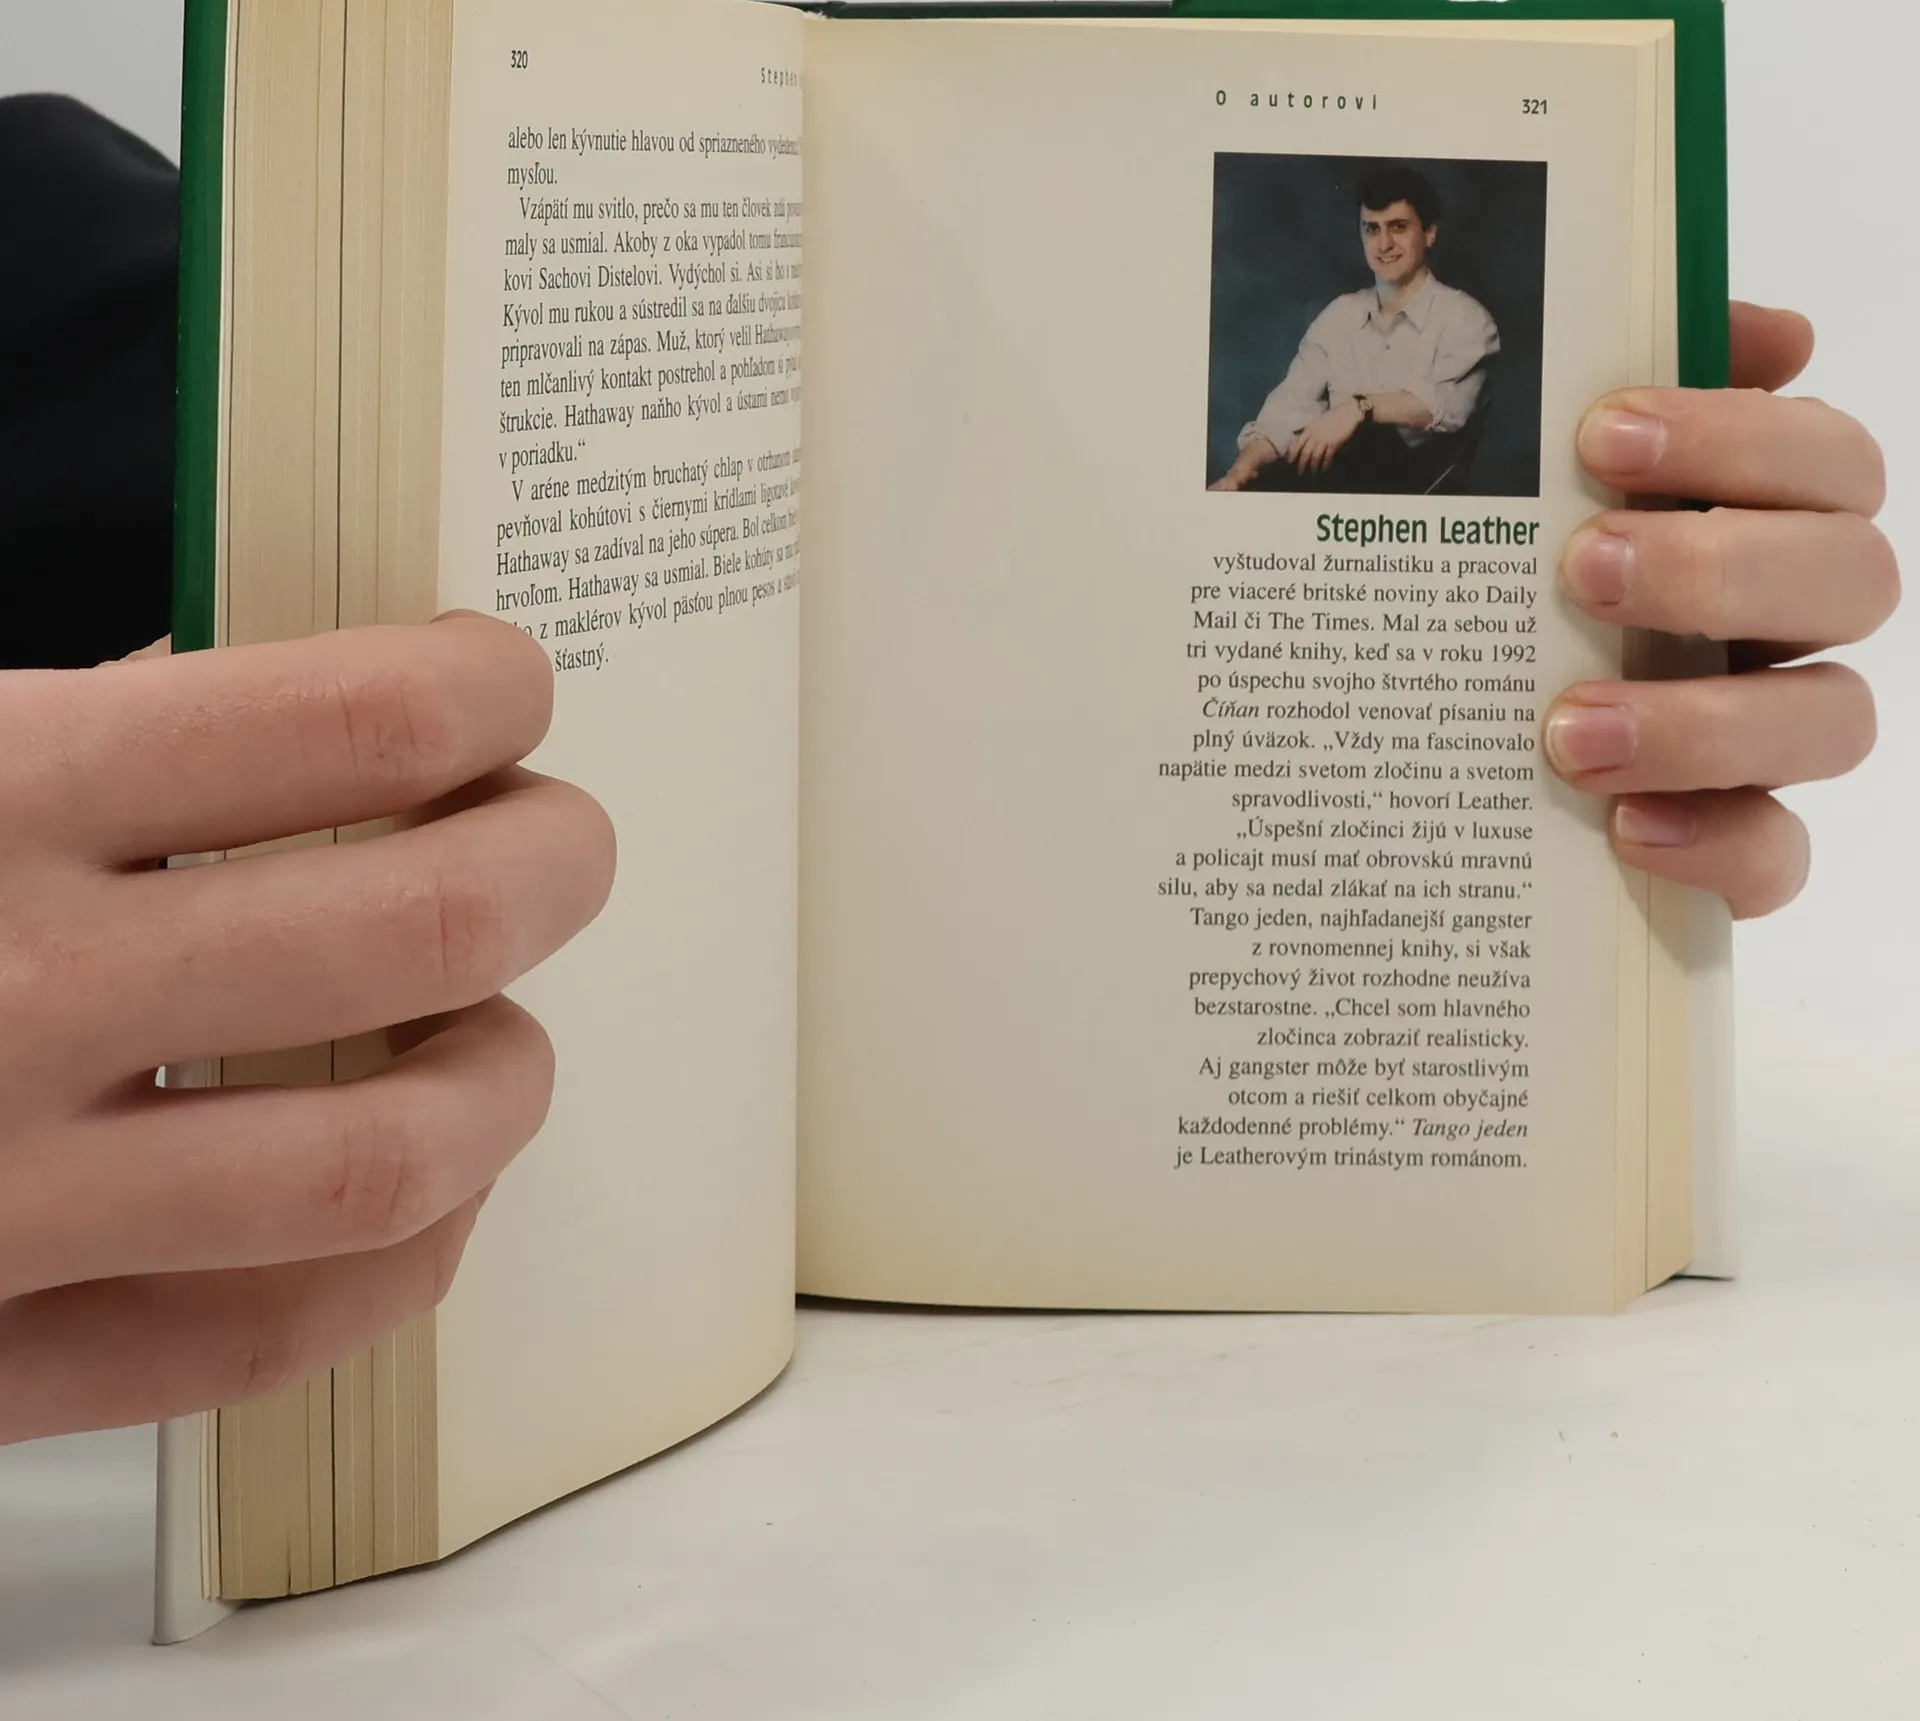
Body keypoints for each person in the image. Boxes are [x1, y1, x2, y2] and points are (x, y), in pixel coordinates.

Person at [0, 105, 1899, 1443]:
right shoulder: (1330, 323)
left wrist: (1579, 608)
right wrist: (1253, 467)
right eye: (1376, 230)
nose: (1388, 249)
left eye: (1408, 228)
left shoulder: (95, 261)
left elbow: (216, 386)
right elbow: (1278, 419)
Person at [1210, 164, 1500, 493]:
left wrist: (1357, 409)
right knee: (1253, 485)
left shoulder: (1466, 319)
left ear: (1430, 233)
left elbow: (1445, 407)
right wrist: (1241, 470)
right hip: (1331, 486)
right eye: (1372, 229)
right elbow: (1287, 409)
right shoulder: (1339, 316)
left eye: (1398, 227)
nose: (1384, 243)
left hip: (1411, 497)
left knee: (1370, 438)